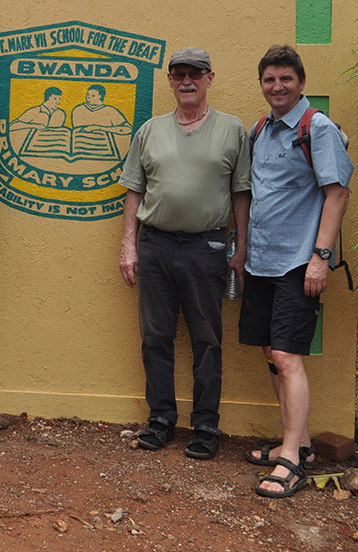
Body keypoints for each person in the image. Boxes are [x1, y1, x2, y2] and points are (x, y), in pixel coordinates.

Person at [118, 47, 251, 459]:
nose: (187, 81)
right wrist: (128, 243)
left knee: (206, 339)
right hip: (154, 245)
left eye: (195, 73)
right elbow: (134, 190)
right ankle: (160, 420)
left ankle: (206, 426)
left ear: (211, 78)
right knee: (155, 336)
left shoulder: (232, 130)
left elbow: (241, 192)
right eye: (179, 74)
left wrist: (240, 246)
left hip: (206, 246)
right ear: (170, 81)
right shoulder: (150, 130)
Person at [241, 45, 353, 498]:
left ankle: (290, 461)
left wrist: (320, 257)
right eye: (269, 79)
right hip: (262, 261)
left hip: (298, 263)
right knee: (272, 351)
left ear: (301, 83)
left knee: (289, 357)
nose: (277, 86)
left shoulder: (317, 128)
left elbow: (337, 193)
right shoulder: (261, 130)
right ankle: (301, 444)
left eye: (285, 79)